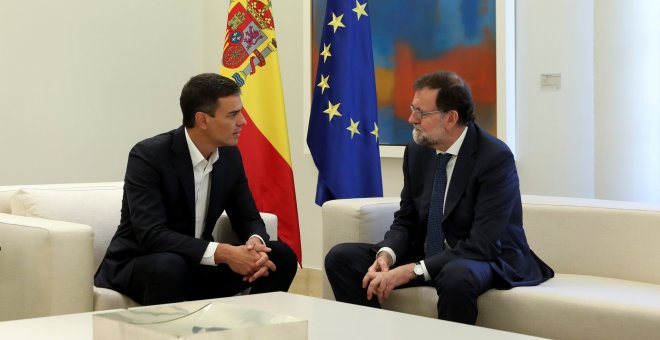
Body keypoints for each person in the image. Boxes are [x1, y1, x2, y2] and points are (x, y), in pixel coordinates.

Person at [324, 71, 554, 324]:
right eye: (413, 109)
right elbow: (407, 219)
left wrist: (412, 271)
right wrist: (387, 255)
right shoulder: (417, 150)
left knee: (456, 274)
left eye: (421, 113)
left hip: (486, 257)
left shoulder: (494, 158)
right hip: (430, 253)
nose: (411, 119)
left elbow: (482, 244)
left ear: (451, 118)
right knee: (341, 258)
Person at [94, 73, 297, 305]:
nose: (243, 122)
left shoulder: (229, 156)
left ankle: (250, 331)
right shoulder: (149, 155)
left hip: (197, 265)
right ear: (202, 120)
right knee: (170, 265)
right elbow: (151, 234)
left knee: (280, 256)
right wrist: (224, 253)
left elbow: (248, 217)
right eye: (233, 115)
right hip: (143, 262)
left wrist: (255, 244)